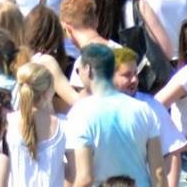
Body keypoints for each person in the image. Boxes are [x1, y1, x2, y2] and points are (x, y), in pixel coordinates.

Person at [65, 41, 162, 187]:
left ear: (89, 70)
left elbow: (84, 178)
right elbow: (158, 172)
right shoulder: (143, 109)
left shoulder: (80, 112)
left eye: (79, 70)